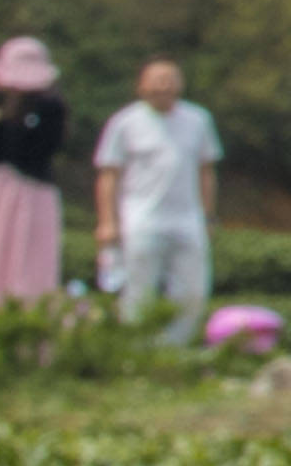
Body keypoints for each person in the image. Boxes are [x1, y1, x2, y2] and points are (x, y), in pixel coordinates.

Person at [91, 58, 219, 325]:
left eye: (169, 79)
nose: (163, 86)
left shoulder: (198, 120)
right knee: (139, 289)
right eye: (157, 79)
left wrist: (208, 216)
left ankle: (177, 348)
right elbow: (109, 175)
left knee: (193, 290)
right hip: (142, 217)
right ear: (142, 85)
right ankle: (134, 346)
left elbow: (206, 171)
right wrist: (108, 222)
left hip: (187, 217)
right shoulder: (125, 122)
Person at [0, 37, 69, 305]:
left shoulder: (50, 107)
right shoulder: (17, 105)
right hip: (4, 189)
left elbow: (30, 152)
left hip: (31, 192)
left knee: (25, 258)